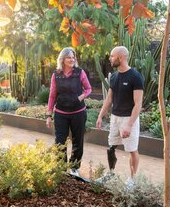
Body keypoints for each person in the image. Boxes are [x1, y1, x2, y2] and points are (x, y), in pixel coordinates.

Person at [95, 46, 144, 186]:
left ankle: (132, 180)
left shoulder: (135, 76)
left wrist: (129, 125)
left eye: (112, 56)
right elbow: (109, 99)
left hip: (129, 118)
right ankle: (110, 174)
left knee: (132, 150)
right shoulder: (115, 76)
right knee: (111, 147)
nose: (110, 58)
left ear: (121, 57)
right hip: (115, 118)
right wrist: (100, 116)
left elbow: (138, 103)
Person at [46, 47, 92, 177]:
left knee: (78, 140)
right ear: (63, 59)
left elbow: (88, 89)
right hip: (61, 113)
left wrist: (80, 97)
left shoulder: (79, 72)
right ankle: (61, 167)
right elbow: (52, 95)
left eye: (73, 57)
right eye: (69, 57)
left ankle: (74, 168)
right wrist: (49, 115)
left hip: (78, 112)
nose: (72, 59)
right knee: (60, 141)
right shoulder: (56, 75)